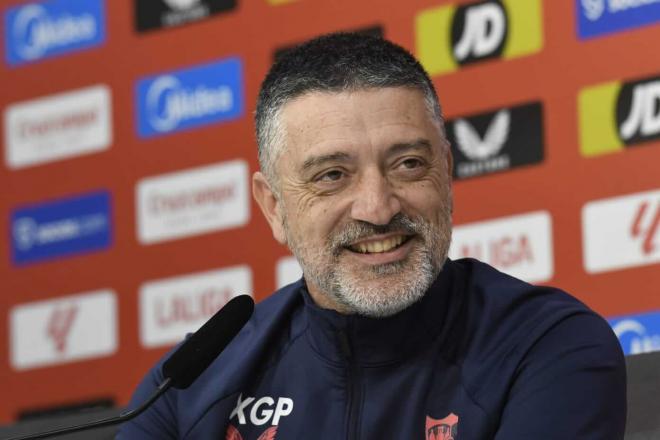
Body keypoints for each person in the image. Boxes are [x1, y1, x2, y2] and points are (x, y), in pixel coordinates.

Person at [117, 33, 626, 439]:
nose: (378, 208)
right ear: (274, 207)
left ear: (446, 172)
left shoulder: (546, 346)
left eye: (407, 165)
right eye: (332, 175)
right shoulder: (191, 381)